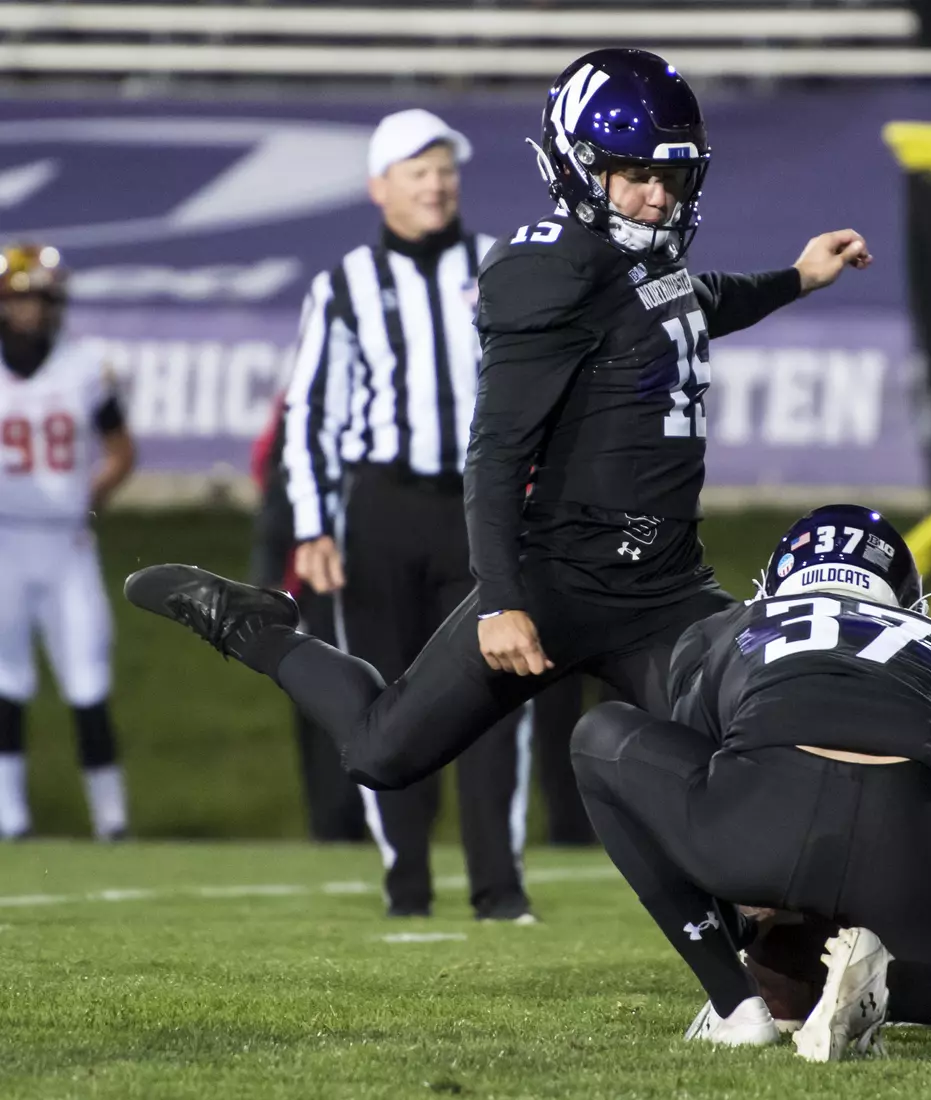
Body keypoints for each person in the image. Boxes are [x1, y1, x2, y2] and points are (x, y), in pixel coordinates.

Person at [120, 49, 869, 849]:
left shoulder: (645, 258)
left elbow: (692, 302)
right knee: (381, 751)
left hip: (662, 589)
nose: (658, 197)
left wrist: (795, 279)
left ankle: (772, 958)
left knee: (759, 741)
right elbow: (498, 450)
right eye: (635, 175)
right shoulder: (549, 268)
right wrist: (503, 599)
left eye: (673, 177)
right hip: (558, 583)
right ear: (580, 169)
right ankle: (253, 626)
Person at [569, 505, 931, 1058]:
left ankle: (738, 1004)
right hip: (903, 853)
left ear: (775, 583)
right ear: (905, 597)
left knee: (598, 735)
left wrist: (750, 900)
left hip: (755, 832)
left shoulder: (724, 629)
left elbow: (695, 775)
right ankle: (886, 988)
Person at [280, 108, 532, 920]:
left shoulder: (501, 265)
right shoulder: (346, 284)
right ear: (378, 187)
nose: (436, 183)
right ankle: (408, 890)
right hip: (382, 507)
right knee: (383, 700)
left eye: (445, 170)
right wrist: (312, 523)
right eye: (417, 171)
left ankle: (501, 892)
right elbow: (312, 412)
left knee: (496, 695)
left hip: (477, 510)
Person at [0, 243, 136, 841]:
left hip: (66, 543)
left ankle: (112, 821)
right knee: (4, 680)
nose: (30, 312)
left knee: (88, 678)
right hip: (3, 540)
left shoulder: (84, 366)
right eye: (19, 299)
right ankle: (9, 817)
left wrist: (87, 498)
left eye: (40, 300)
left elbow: (120, 450)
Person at [250, 395, 366, 843]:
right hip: (320, 581)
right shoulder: (304, 400)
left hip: (382, 573)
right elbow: (277, 495)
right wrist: (272, 591)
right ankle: (335, 826)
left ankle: (381, 819)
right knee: (327, 709)